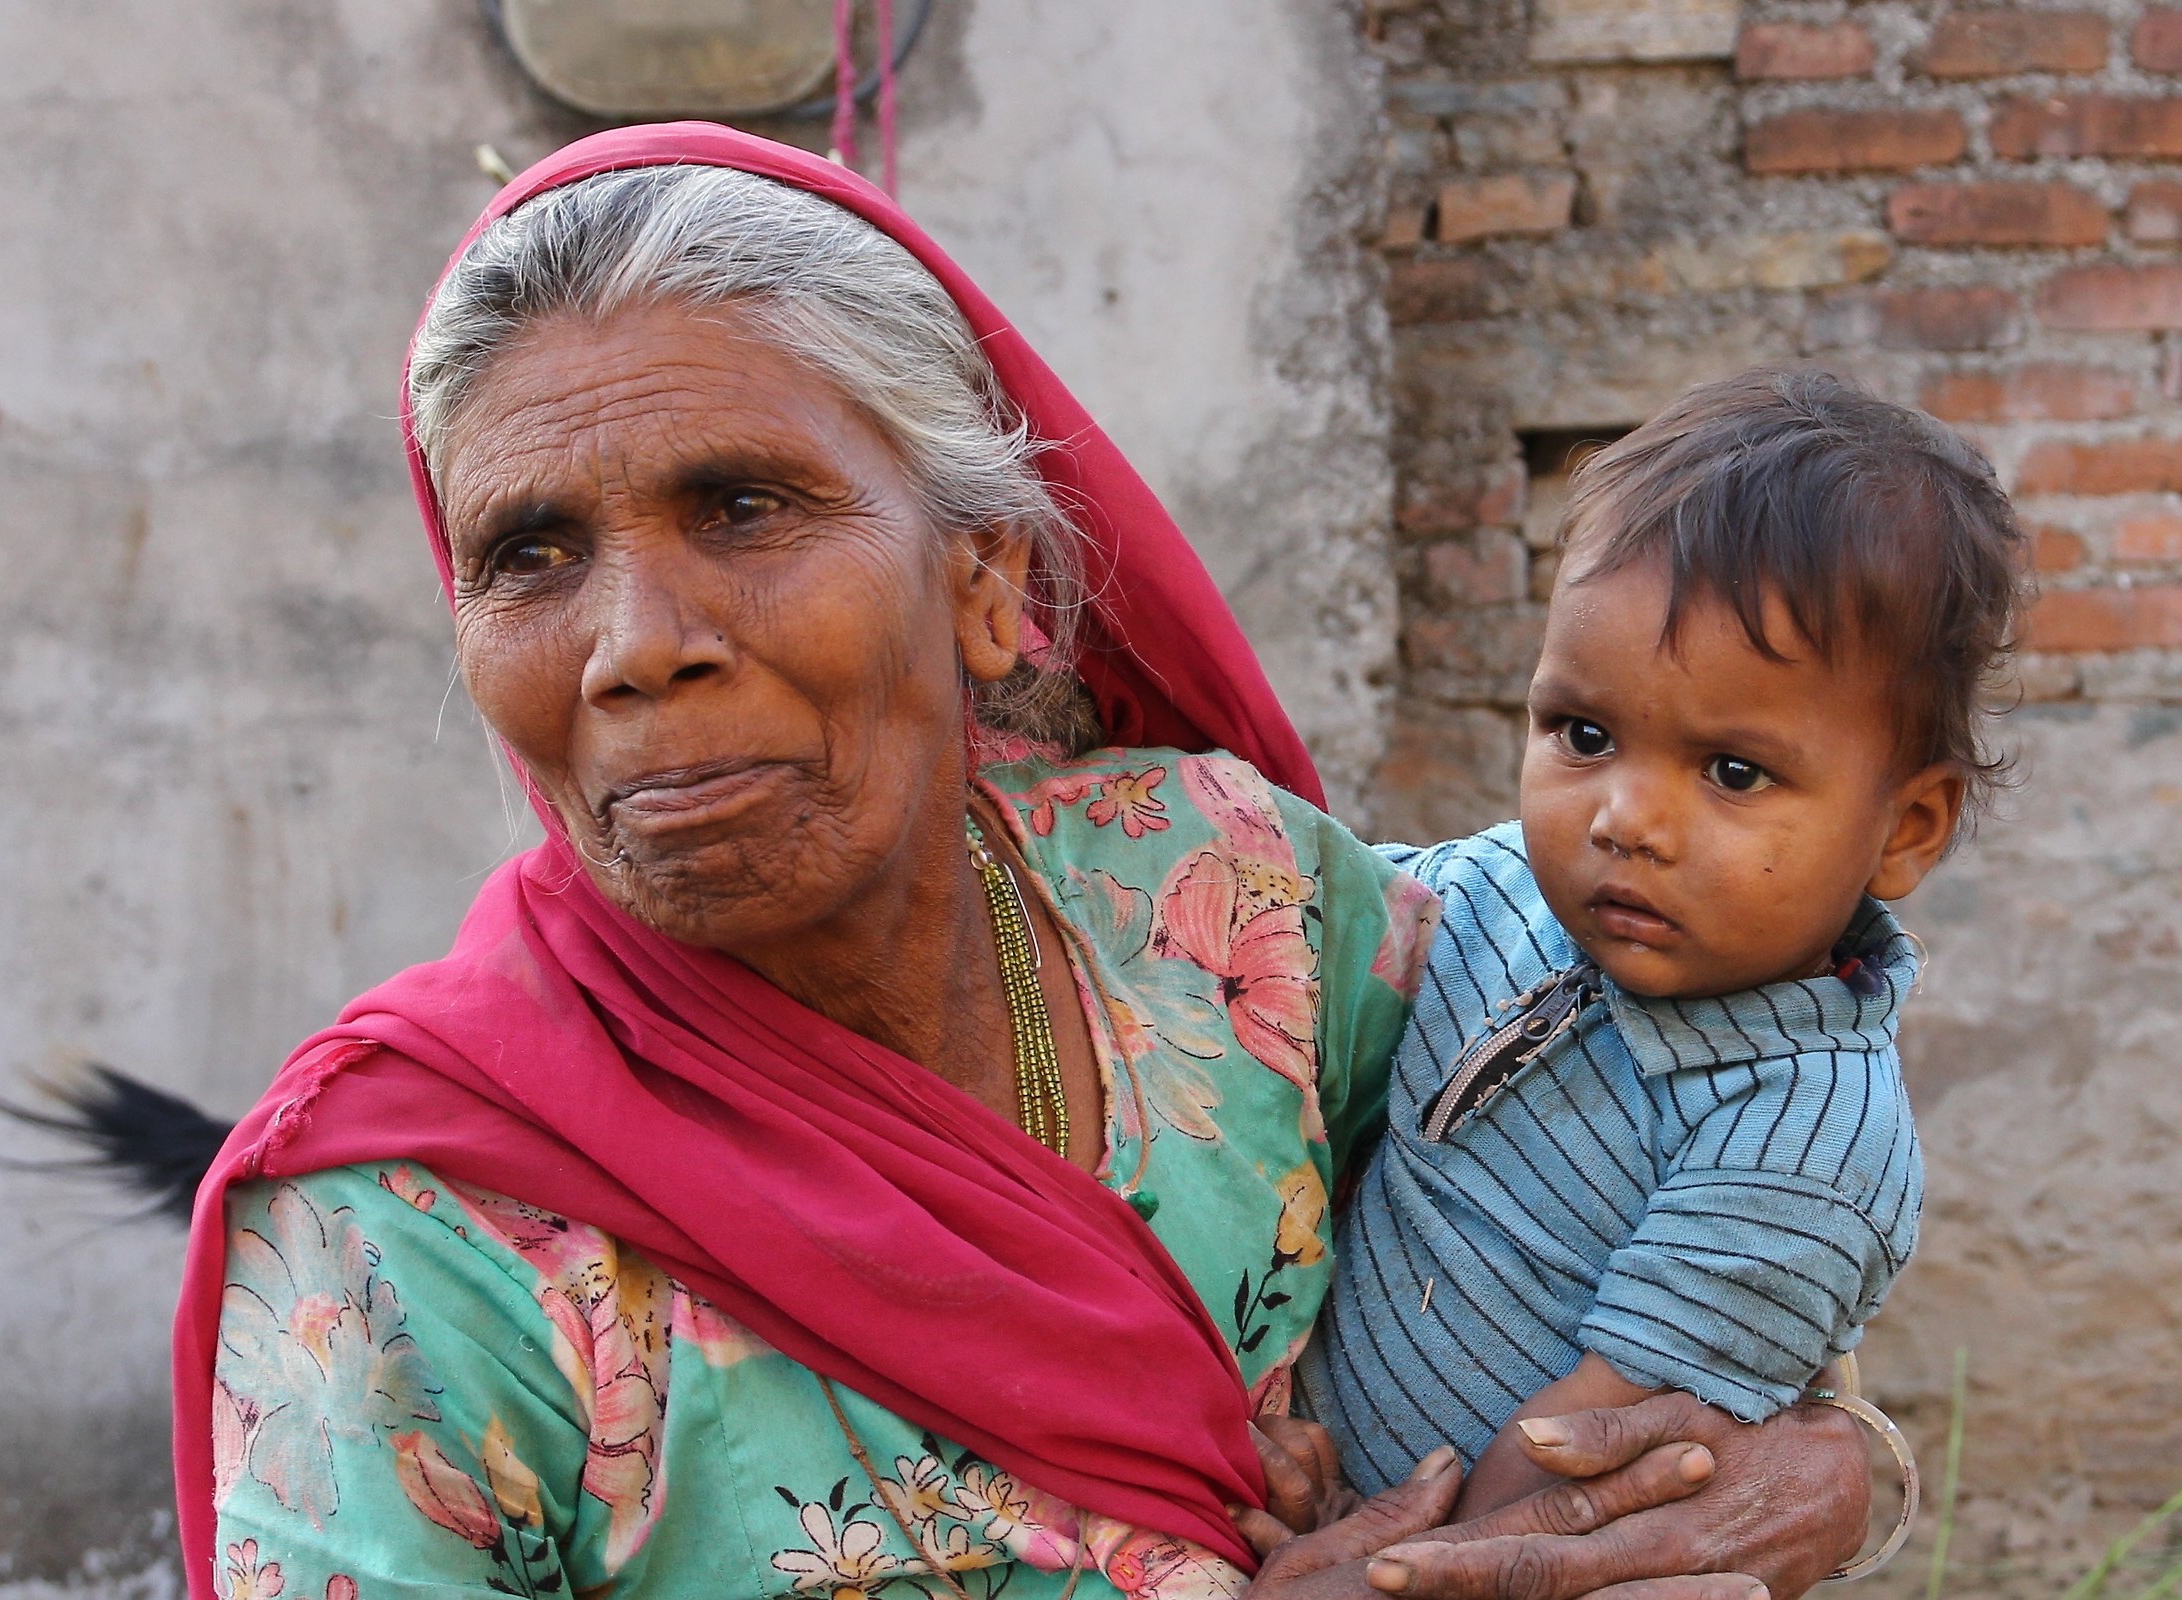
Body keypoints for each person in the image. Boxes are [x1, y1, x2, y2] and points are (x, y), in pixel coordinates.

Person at [171, 125, 1880, 1600]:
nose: (634, 644)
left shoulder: (1229, 908)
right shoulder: (403, 1248)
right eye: (528, 552)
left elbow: (1676, 1157)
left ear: (985, 578)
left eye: (747, 508)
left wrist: (1828, 1459)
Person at [1302, 371, 2020, 1523]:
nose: (1623, 818)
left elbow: (1588, 1454)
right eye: (1583, 733)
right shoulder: (1490, 893)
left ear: (1907, 829)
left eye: (1734, 771)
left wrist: (1369, 1564)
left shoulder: (1807, 1140)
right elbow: (1273, 954)